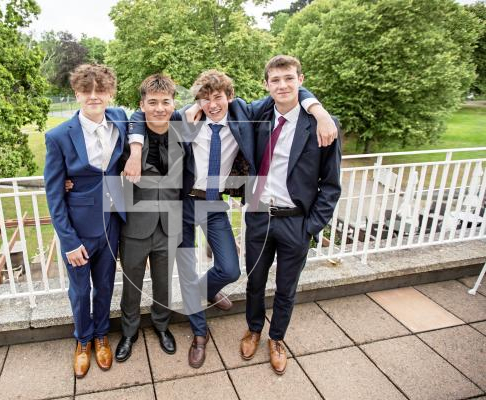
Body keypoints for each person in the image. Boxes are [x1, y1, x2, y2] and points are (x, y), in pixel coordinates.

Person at [126, 69, 337, 368]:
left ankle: (206, 289)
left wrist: (319, 110)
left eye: (218, 97)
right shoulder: (184, 118)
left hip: (214, 205)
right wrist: (135, 150)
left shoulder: (243, 114)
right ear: (198, 100)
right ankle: (200, 334)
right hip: (184, 204)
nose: (213, 105)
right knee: (187, 270)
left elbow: (287, 92)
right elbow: (138, 115)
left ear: (229, 97)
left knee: (230, 268)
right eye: (205, 98)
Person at [240, 55, 341, 375]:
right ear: (266, 84)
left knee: (286, 287)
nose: (282, 85)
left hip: (296, 221)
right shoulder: (259, 114)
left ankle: (277, 338)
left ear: (301, 79)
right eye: (275, 80)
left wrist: (310, 227)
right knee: (254, 282)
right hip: (258, 213)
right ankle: (254, 328)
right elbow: (228, 103)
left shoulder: (322, 125)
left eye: (288, 78)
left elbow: (332, 185)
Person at [43, 64, 127, 378]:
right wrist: (69, 240)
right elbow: (54, 194)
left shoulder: (119, 118)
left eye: (100, 90)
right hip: (79, 229)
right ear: (77, 93)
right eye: (87, 91)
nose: (94, 96)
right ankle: (82, 341)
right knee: (79, 291)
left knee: (105, 285)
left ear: (109, 93)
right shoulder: (58, 136)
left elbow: (149, 124)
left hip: (112, 223)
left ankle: (102, 335)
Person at [114, 74, 186, 362]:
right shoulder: (127, 138)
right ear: (142, 105)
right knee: (132, 283)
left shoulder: (183, 129)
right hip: (134, 225)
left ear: (173, 104)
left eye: (165, 102)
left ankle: (162, 325)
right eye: (152, 102)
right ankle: (129, 332)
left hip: (169, 223)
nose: (159, 108)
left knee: (163, 282)